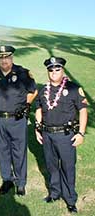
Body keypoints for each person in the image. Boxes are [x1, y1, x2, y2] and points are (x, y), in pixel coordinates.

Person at [35, 57, 88, 213]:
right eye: (51, 70)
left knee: (67, 167)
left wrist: (81, 133)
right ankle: (54, 193)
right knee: (51, 166)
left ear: (62, 70)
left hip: (66, 136)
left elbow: (83, 111)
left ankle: (70, 199)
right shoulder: (44, 89)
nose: (54, 73)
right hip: (47, 134)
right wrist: (37, 128)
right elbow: (39, 108)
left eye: (57, 69)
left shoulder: (73, 89)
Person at [0, 45, 37, 196]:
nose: (4, 61)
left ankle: (21, 183)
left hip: (17, 119)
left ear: (11, 57)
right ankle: (7, 179)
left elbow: (33, 91)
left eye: (6, 57)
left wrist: (24, 105)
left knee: (19, 150)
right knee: (2, 150)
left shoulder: (22, 73)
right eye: (0, 58)